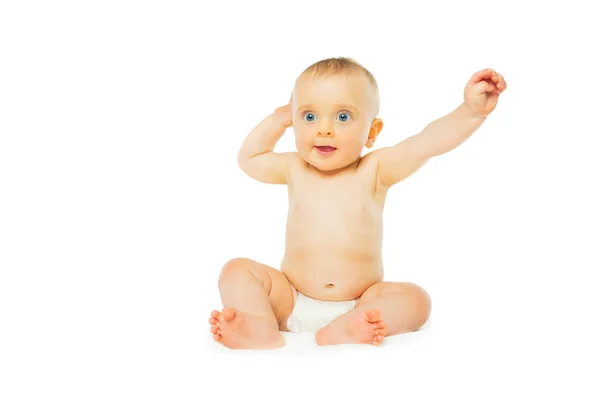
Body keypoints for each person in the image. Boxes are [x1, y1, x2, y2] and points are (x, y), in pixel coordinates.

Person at [208, 57, 507, 349]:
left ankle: (350, 327)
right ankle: (259, 327)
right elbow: (249, 158)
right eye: (309, 116)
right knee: (236, 270)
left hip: (362, 301)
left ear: (371, 132)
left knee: (417, 299)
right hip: (292, 297)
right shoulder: (293, 167)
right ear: (295, 123)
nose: (324, 129)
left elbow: (427, 142)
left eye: (342, 117)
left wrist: (471, 111)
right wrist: (279, 118)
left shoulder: (375, 170)